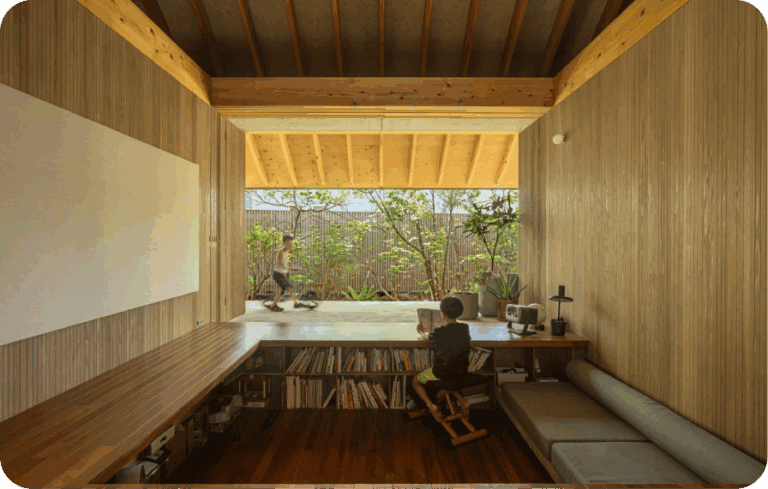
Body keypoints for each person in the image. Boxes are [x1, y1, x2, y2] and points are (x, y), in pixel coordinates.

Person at [413, 296, 472, 421]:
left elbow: (428, 339)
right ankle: (463, 402)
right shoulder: (465, 328)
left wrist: (421, 332)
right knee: (451, 382)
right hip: (461, 372)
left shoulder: (440, 331)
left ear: (442, 313)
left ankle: (430, 405)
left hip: (441, 373)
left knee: (415, 381)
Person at [268, 235, 297, 312]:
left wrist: (290, 265)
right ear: (284, 243)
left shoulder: (286, 252)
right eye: (289, 244)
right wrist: (290, 268)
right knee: (289, 288)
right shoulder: (281, 251)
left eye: (292, 244)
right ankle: (296, 303)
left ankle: (273, 305)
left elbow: (287, 261)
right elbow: (282, 263)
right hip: (278, 274)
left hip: (281, 274)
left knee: (283, 291)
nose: (291, 246)